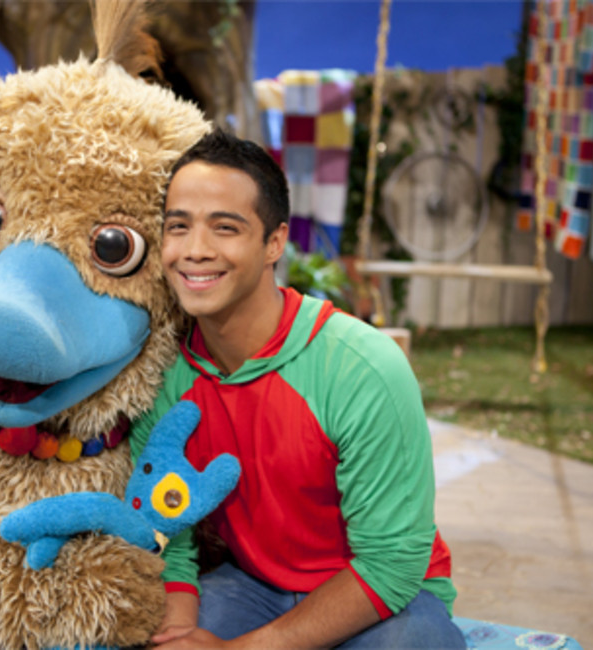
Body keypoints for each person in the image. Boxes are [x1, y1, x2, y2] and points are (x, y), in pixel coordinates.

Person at [130, 129, 465, 649]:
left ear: (274, 242)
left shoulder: (362, 367)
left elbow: (392, 563)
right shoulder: (162, 372)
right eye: (179, 227)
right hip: (254, 586)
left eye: (225, 228)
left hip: (378, 592)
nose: (195, 250)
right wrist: (178, 627)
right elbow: (167, 523)